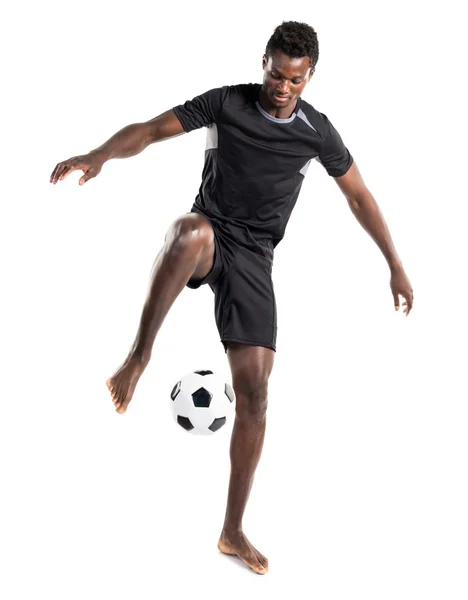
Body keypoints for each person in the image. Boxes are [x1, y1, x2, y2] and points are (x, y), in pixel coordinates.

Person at [50, 21, 414, 575]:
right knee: (187, 230)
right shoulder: (227, 103)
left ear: (309, 76)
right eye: (274, 72)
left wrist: (395, 264)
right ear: (263, 61)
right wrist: (98, 155)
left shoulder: (317, 132)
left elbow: (359, 197)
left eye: (294, 79)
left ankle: (232, 530)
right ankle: (138, 357)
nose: (282, 86)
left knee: (257, 394)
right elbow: (149, 131)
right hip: (213, 234)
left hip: (255, 260)